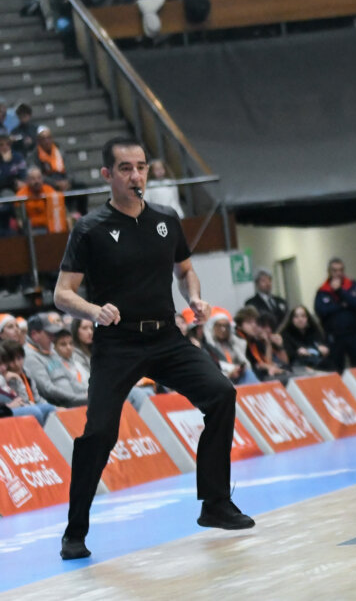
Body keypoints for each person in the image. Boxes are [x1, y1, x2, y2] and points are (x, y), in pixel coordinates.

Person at [54, 137, 252, 560]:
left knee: (221, 394)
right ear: (108, 175)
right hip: (117, 343)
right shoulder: (89, 229)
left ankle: (215, 503)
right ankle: (75, 530)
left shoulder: (167, 218)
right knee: (100, 433)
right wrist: (93, 311)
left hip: (165, 337)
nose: (135, 175)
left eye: (140, 167)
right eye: (125, 168)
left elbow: (185, 271)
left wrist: (194, 297)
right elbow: (62, 294)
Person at [314, 258, 356, 372]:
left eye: (341, 270)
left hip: (354, 334)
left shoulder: (352, 285)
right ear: (329, 271)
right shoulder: (322, 291)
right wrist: (342, 306)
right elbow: (321, 311)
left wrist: (340, 292)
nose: (338, 273)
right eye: (335, 270)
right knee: (336, 369)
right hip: (334, 337)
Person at [23, 313, 85, 407]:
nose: (53, 338)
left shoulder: (51, 350)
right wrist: (77, 398)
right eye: (49, 334)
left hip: (74, 400)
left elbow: (70, 378)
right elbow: (47, 389)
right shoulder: (30, 357)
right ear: (34, 335)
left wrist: (86, 392)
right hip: (60, 405)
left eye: (53, 334)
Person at [2, 339, 57, 423]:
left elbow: (37, 398)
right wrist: (18, 380)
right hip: (16, 408)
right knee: (35, 412)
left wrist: (56, 408)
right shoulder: (6, 379)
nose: (16, 363)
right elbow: (23, 401)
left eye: (19, 358)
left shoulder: (26, 372)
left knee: (52, 409)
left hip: (30, 405)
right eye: (11, 361)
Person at [279, 306, 329, 373]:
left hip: (315, 361)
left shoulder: (313, 330)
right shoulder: (285, 333)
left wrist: (309, 351)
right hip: (296, 364)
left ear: (307, 318)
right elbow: (291, 355)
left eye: (303, 316)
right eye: (296, 317)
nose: (300, 319)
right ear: (291, 319)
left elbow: (324, 350)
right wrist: (315, 350)